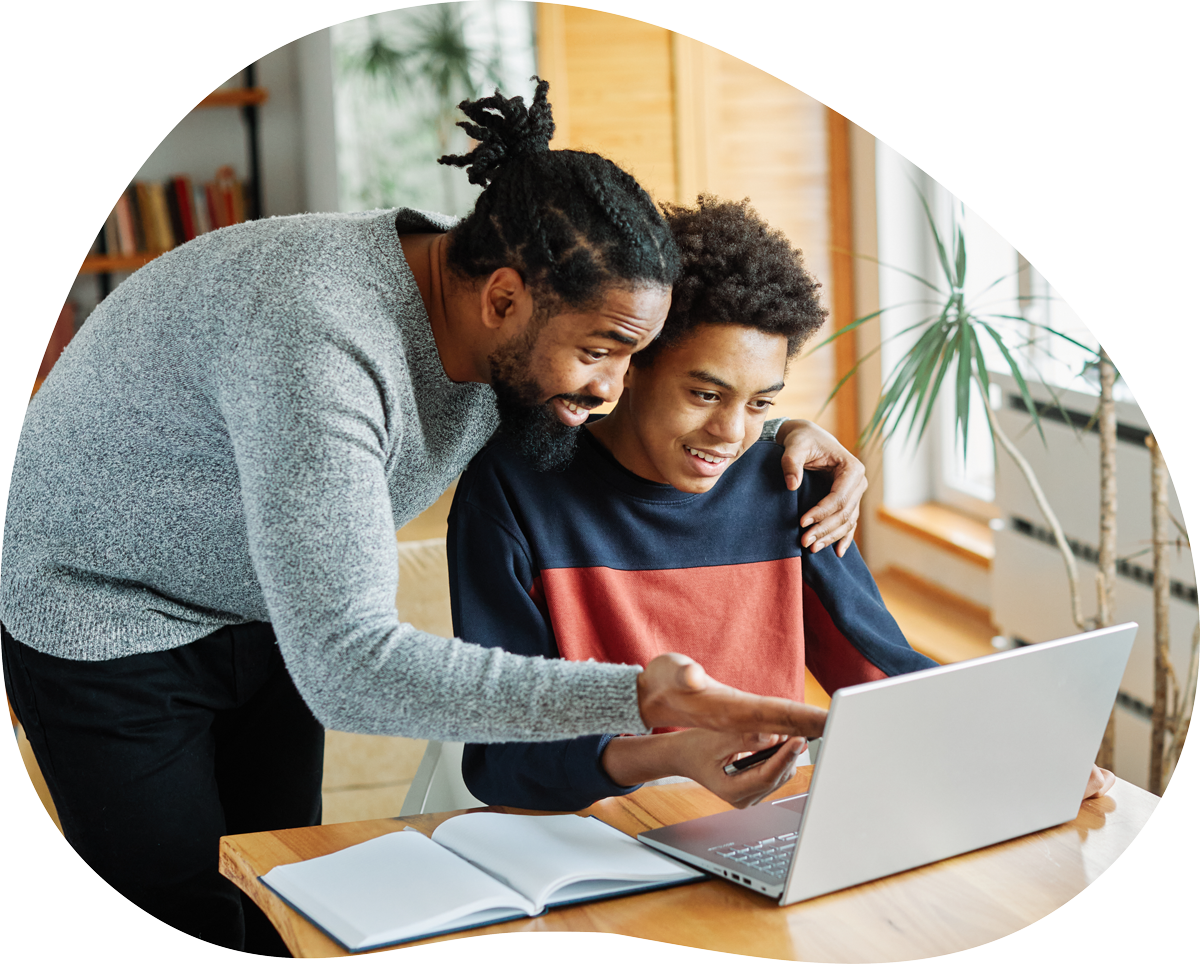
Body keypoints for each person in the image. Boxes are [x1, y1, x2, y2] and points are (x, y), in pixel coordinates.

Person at [0, 83, 863, 953]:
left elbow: (651, 419)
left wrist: (776, 440)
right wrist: (639, 697)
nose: (609, 390)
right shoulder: (321, 342)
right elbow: (349, 668)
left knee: (277, 886)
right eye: (603, 353)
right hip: (103, 604)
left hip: (270, 599)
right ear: (501, 299)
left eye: (630, 359)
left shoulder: (519, 321)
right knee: (178, 908)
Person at [450, 195, 1118, 812]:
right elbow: (505, 762)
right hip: (587, 835)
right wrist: (671, 756)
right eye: (705, 395)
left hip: (756, 832)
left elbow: (880, 673)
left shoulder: (790, 481)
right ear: (634, 361)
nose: (731, 434)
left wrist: (1018, 749)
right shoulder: (513, 493)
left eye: (761, 404)